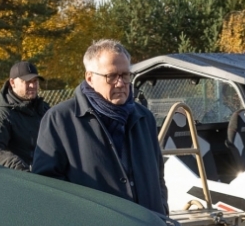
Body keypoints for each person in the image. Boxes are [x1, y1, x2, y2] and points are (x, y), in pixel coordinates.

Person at [33, 39, 166, 216]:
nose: (120, 83)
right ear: (90, 78)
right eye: (111, 76)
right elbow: (47, 186)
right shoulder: (60, 120)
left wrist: (163, 213)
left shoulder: (144, 118)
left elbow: (158, 177)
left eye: (125, 75)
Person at [0, 60, 50, 170]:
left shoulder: (43, 109)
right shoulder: (2, 115)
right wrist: (18, 166)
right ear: (12, 83)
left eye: (35, 81)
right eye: (27, 81)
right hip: (23, 180)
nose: (32, 85)